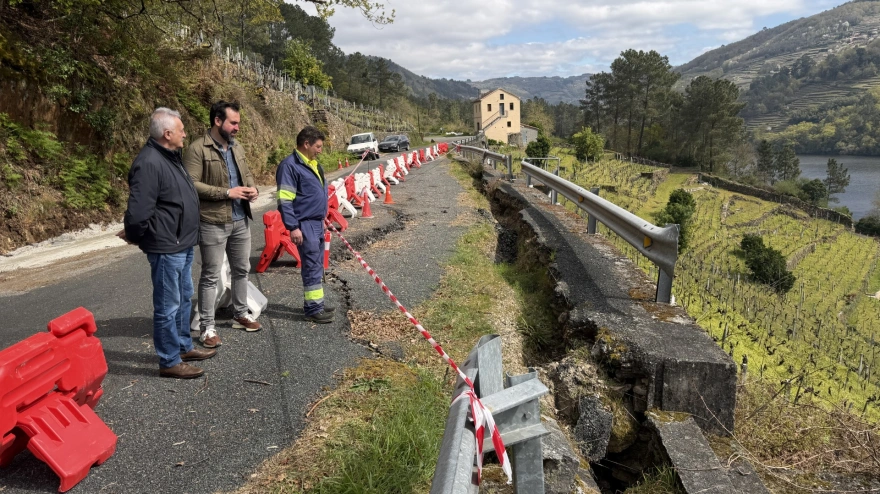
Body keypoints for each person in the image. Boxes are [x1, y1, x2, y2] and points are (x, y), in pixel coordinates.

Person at [120, 108, 216, 379]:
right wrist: (138, 236)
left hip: (181, 243)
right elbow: (139, 211)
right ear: (167, 134)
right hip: (166, 246)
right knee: (167, 306)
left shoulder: (170, 157)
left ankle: (183, 346)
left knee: (183, 299)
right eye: (181, 129)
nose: (185, 133)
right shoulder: (149, 162)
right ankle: (169, 360)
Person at [184, 101, 261, 349]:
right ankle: (207, 327)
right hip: (213, 222)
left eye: (238, 122)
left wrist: (253, 188)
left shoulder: (237, 147)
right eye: (233, 122)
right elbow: (191, 184)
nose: (238, 127)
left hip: (240, 220)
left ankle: (240, 313)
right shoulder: (197, 149)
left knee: (241, 270)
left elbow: (246, 174)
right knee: (210, 275)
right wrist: (227, 192)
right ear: (218, 121)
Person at [276, 126, 336, 323]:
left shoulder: (314, 164)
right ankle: (312, 310)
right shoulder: (290, 166)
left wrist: (323, 217)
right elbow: (285, 199)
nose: (320, 150)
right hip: (304, 224)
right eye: (317, 146)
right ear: (306, 144)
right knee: (310, 265)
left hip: (317, 223)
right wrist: (293, 226)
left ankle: (316, 303)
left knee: (317, 265)